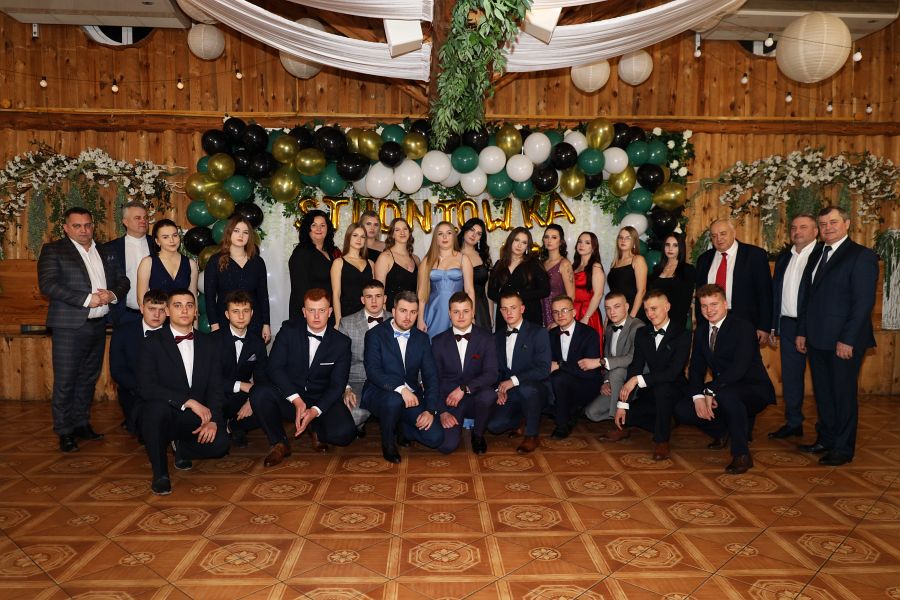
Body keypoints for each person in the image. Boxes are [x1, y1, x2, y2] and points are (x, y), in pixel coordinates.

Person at [38, 207, 131, 453]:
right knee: (66, 380)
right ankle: (64, 431)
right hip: (69, 327)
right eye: (77, 226)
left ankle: (81, 423)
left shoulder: (105, 251)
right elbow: (48, 284)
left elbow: (123, 280)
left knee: (88, 378)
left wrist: (111, 294)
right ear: (66, 228)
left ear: (93, 226)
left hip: (99, 325)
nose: (83, 230)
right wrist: (87, 299)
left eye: (87, 225)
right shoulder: (54, 250)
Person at [796, 206, 878, 466]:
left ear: (847, 224)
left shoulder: (861, 256)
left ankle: (843, 448)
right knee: (823, 393)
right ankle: (827, 439)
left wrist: (848, 339)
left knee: (842, 395)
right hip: (816, 338)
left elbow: (863, 304)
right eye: (823, 224)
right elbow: (808, 297)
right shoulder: (818, 253)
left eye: (833, 222)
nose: (827, 228)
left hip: (844, 341)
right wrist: (802, 332)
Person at [138, 289, 231, 495]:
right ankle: (160, 473)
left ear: (196, 311)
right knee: (155, 410)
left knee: (221, 444)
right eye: (178, 305)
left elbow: (216, 387)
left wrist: (214, 420)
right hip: (166, 412)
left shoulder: (209, 343)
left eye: (189, 305)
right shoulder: (151, 342)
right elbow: (147, 387)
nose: (184, 310)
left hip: (194, 417)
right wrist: (187, 401)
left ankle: (180, 448)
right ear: (167, 311)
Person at [676, 284, 776, 474]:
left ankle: (742, 455)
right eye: (704, 306)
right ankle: (723, 431)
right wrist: (698, 396)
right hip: (721, 388)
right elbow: (696, 368)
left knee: (727, 396)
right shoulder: (701, 331)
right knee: (683, 408)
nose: (709, 310)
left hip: (753, 388)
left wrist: (711, 390)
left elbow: (739, 368)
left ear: (725, 304)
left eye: (714, 304)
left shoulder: (743, 327)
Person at [251, 288, 356, 465]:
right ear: (304, 312)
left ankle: (315, 427)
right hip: (291, 397)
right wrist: (297, 400)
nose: (317, 316)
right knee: (259, 393)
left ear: (330, 312)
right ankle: (279, 443)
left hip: (321, 399)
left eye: (322, 310)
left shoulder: (341, 342)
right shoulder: (288, 330)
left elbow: (337, 385)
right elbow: (274, 368)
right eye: (311, 310)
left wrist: (314, 410)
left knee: (344, 434)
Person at [362, 290, 444, 463]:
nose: (408, 317)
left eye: (413, 312)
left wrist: (430, 410)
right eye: (403, 311)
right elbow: (373, 372)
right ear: (393, 311)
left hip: (411, 396)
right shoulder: (375, 335)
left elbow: (431, 376)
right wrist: (400, 389)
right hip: (380, 392)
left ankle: (402, 427)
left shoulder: (422, 339)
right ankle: (388, 443)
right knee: (394, 400)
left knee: (435, 438)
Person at [609, 290, 691, 461]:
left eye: (654, 309)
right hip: (651, 386)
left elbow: (673, 372)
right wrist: (622, 405)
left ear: (667, 307)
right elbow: (635, 367)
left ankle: (662, 440)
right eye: (646, 310)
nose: (650, 314)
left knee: (662, 390)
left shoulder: (682, 334)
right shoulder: (642, 333)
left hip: (675, 388)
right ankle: (662, 422)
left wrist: (637, 380)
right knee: (629, 414)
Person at [767, 214, 820, 439]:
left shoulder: (822, 255)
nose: (797, 231)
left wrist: (805, 330)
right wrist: (773, 326)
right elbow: (775, 293)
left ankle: (826, 429)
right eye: (793, 227)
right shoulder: (784, 257)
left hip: (815, 326)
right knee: (790, 377)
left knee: (821, 379)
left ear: (815, 232)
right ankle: (794, 422)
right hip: (787, 324)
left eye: (803, 227)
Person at [431, 292, 498, 454]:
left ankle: (478, 434)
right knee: (447, 446)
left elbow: (491, 374)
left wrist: (464, 388)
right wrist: (442, 411)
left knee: (489, 395)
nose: (461, 316)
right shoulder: (438, 341)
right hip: (450, 400)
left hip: (476, 397)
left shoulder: (486, 338)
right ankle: (455, 427)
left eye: (465, 311)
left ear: (473, 312)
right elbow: (433, 380)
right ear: (449, 314)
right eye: (456, 312)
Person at [487, 291, 552, 454]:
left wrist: (514, 380)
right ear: (500, 311)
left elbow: (543, 369)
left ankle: (531, 435)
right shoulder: (496, 337)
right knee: (494, 426)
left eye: (513, 308)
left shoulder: (539, 332)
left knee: (527, 389)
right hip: (511, 390)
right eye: (504, 309)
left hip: (536, 388)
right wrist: (498, 389)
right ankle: (522, 418)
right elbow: (495, 370)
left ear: (522, 309)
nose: (508, 312)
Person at [695, 219, 772, 343]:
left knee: (744, 356)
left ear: (734, 233)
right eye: (714, 236)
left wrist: (764, 326)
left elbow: (765, 293)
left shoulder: (755, 255)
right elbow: (699, 295)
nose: (719, 239)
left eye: (723, 233)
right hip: (711, 323)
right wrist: (701, 326)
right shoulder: (704, 259)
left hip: (745, 323)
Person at [212, 290, 268, 448]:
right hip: (216, 396)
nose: (241, 316)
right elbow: (209, 380)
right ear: (227, 314)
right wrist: (241, 385)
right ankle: (221, 424)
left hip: (241, 398)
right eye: (235, 311)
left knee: (268, 403)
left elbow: (262, 377)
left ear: (252, 313)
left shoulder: (257, 343)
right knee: (218, 444)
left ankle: (236, 426)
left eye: (245, 311)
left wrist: (252, 401)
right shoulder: (213, 340)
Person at [109, 288, 167, 437]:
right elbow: (118, 370)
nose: (157, 315)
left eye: (161, 310)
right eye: (151, 309)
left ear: (167, 311)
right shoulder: (123, 333)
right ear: (142, 308)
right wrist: (145, 389)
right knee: (146, 431)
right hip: (135, 392)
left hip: (168, 392)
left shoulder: (175, 333)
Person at [204, 216, 271, 343]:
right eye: (236, 231)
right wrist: (214, 324)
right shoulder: (215, 261)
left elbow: (263, 295)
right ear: (229, 233)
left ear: (250, 236)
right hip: (224, 321)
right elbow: (210, 297)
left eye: (245, 232)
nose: (241, 235)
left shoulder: (257, 262)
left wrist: (266, 323)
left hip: (253, 322)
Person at [337, 279, 389, 437]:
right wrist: (346, 388)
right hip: (358, 380)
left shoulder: (396, 320)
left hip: (388, 379)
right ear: (362, 299)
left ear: (385, 298)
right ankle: (361, 421)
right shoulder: (347, 323)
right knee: (353, 417)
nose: (374, 301)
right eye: (369, 296)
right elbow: (339, 362)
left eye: (378, 296)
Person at [583, 293, 645, 423]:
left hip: (635, 379)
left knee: (617, 372)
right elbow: (608, 356)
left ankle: (618, 418)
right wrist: (606, 381)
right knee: (591, 413)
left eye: (616, 306)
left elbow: (631, 358)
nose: (612, 312)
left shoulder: (638, 326)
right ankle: (627, 414)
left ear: (626, 307)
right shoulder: (610, 329)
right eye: (608, 308)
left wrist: (600, 362)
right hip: (615, 381)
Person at [547, 295, 603, 439]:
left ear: (574, 313)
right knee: (553, 380)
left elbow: (590, 372)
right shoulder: (551, 335)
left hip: (586, 383)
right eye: (556, 312)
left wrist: (561, 365)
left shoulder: (589, 334)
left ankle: (562, 425)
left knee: (559, 377)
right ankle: (568, 411)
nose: (560, 315)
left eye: (564, 310)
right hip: (562, 383)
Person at [102, 201, 157, 326]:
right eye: (137, 218)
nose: (143, 221)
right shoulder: (110, 248)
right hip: (124, 315)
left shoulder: (158, 246)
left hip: (157, 314)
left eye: (145, 217)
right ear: (125, 222)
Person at [417, 221, 474, 339]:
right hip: (434, 311)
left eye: (448, 233)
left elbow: (469, 290)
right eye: (440, 234)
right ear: (435, 238)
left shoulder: (464, 259)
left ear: (453, 236)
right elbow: (422, 293)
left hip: (458, 311)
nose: (444, 237)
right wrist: (420, 319)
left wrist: (472, 315)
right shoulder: (426, 261)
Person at [488, 227, 550, 327]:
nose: (519, 245)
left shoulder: (534, 264)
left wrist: (519, 295)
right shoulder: (500, 264)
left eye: (524, 242)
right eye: (516, 240)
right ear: (510, 241)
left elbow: (545, 290)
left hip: (529, 315)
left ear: (527, 246)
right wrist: (506, 300)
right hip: (505, 317)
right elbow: (491, 293)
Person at [135, 219, 198, 307]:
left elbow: (193, 296)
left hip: (183, 314)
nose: (172, 240)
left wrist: (194, 316)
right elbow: (141, 299)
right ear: (157, 241)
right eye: (165, 237)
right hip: (157, 314)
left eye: (175, 235)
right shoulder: (148, 262)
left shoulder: (191, 264)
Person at [288, 210, 339, 318]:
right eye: (314, 225)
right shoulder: (301, 253)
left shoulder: (332, 252)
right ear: (308, 229)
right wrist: (313, 313)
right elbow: (300, 291)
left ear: (328, 229)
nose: (319, 229)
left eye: (322, 225)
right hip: (309, 315)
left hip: (328, 312)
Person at [648, 234, 696, 330]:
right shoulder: (656, 269)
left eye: (675, 245)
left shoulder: (688, 270)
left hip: (675, 322)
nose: (670, 249)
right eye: (667, 245)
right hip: (653, 319)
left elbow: (685, 301)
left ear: (681, 248)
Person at [330, 224, 374, 328]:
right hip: (346, 315)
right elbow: (336, 294)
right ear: (348, 237)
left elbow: (374, 293)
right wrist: (338, 321)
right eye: (355, 235)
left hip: (367, 315)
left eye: (362, 236)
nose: (359, 239)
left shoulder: (371, 263)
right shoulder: (338, 263)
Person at [375, 218, 419, 310]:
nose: (402, 232)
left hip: (412, 312)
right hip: (391, 312)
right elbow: (379, 291)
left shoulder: (416, 259)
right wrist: (385, 315)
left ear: (409, 233)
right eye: (397, 230)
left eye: (405, 229)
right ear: (392, 234)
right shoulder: (385, 257)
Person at [458, 218, 493, 330]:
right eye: (472, 230)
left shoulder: (483, 256)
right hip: (459, 307)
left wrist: (491, 315)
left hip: (481, 308)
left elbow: (487, 289)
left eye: (478, 234)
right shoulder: (453, 254)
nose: (474, 235)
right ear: (465, 230)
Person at [572, 231, 606, 341]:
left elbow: (598, 294)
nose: (582, 245)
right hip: (574, 310)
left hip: (587, 312)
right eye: (580, 241)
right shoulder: (574, 266)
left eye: (587, 243)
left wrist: (586, 317)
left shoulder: (595, 266)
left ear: (593, 247)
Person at [608, 226, 648, 319]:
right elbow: (613, 293)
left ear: (634, 242)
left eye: (627, 238)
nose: (623, 240)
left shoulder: (638, 260)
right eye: (620, 237)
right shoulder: (614, 263)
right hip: (615, 313)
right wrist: (607, 318)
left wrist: (631, 317)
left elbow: (642, 291)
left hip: (632, 312)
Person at [540, 225, 575, 327]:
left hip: (558, 316)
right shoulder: (541, 263)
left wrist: (558, 320)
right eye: (546, 237)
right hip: (541, 313)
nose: (549, 240)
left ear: (560, 242)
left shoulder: (565, 264)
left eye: (554, 237)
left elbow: (571, 296)